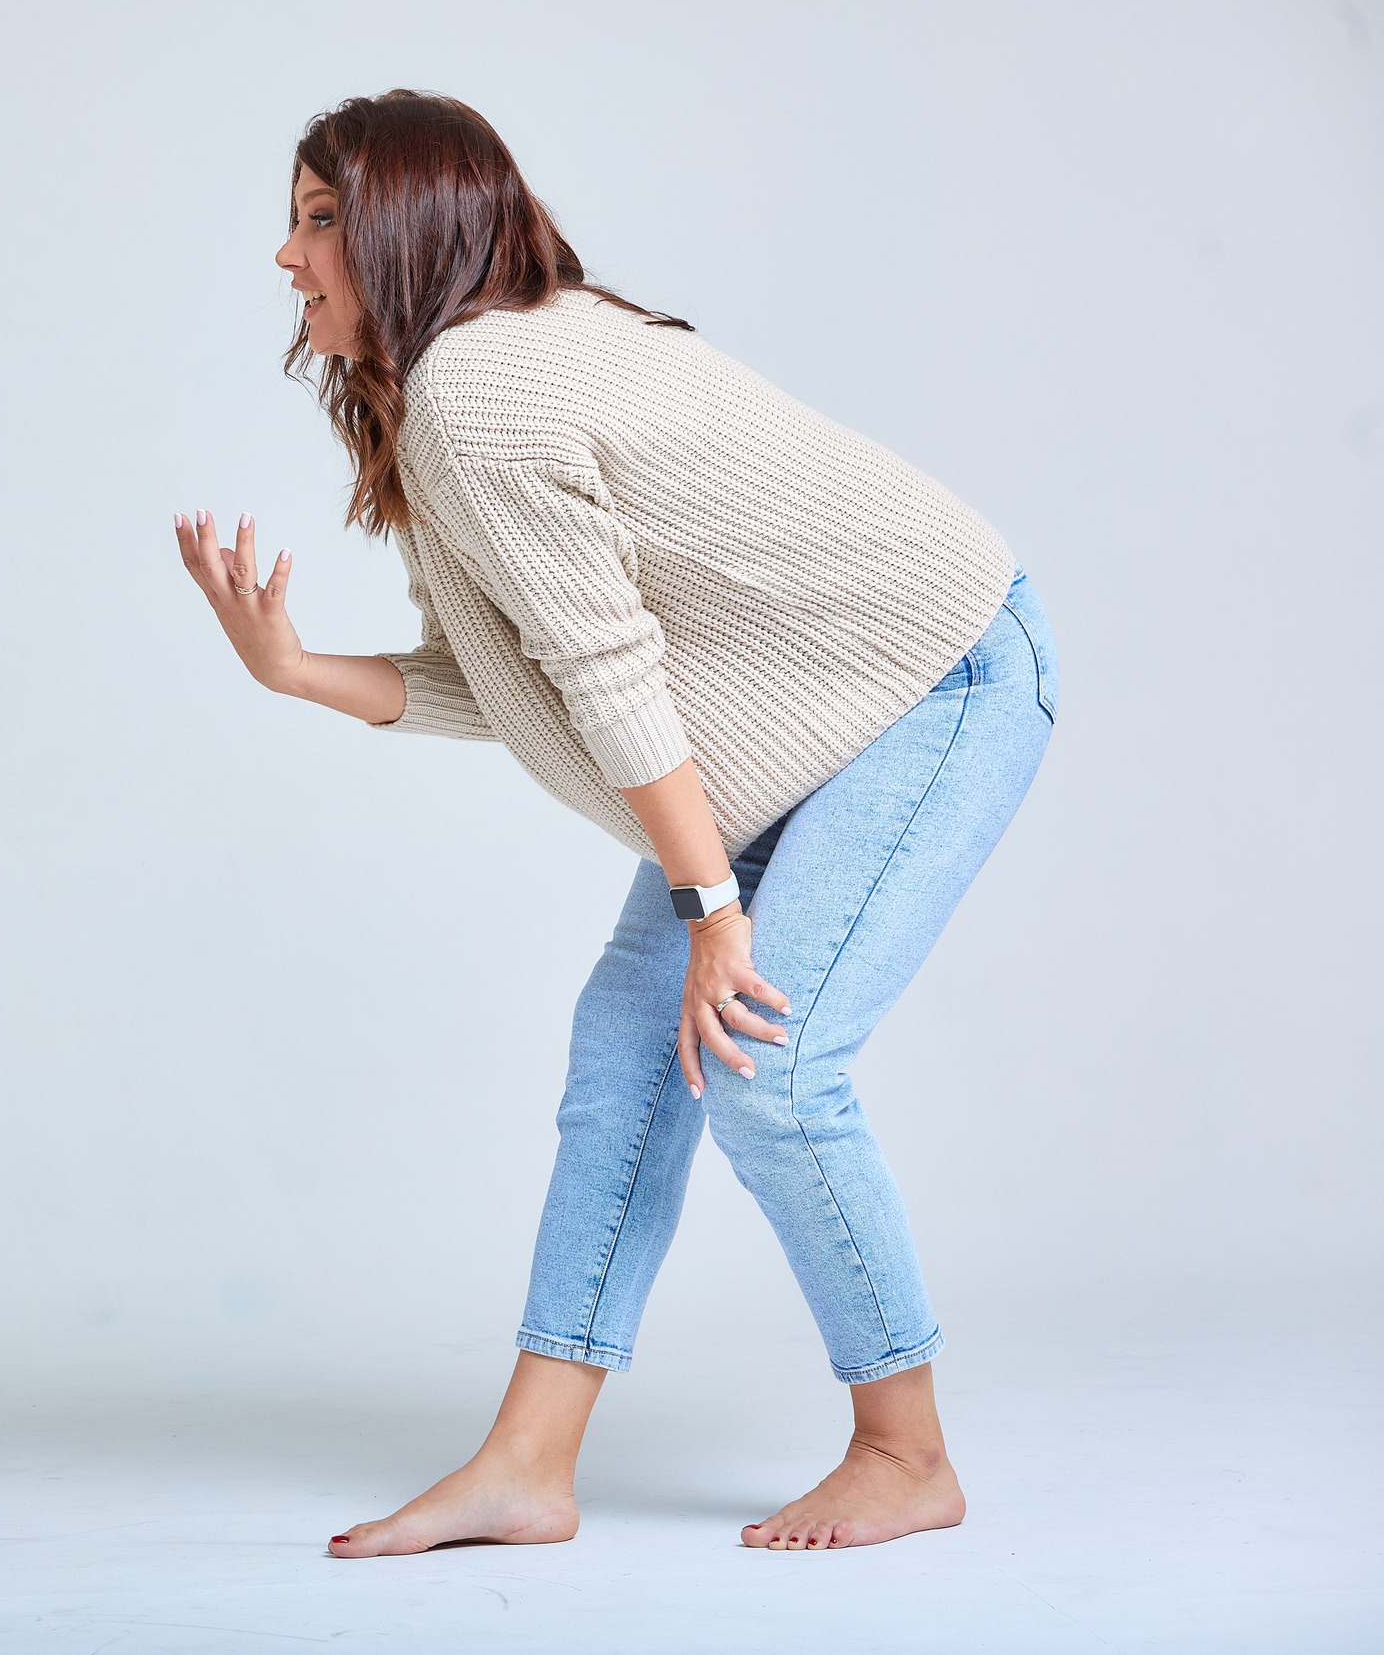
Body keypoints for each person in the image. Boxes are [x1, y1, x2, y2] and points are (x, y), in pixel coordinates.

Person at [174, 91, 1055, 1556]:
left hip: (931, 680)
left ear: (404, 230)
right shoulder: (452, 391)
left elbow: (605, 668)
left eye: (320, 219)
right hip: (789, 744)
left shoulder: (486, 391)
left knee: (768, 1072)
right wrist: (296, 669)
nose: (286, 254)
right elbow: (515, 678)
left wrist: (716, 912)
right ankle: (528, 1465)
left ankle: (907, 1456)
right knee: (627, 1061)